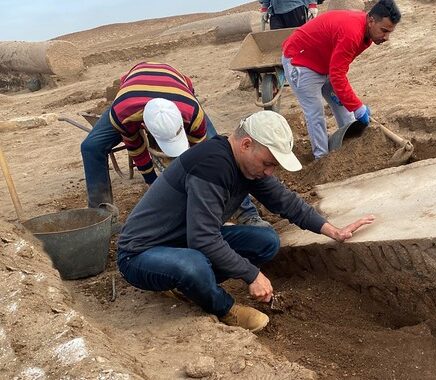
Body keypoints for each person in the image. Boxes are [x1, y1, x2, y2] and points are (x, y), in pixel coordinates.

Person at [117, 110, 374, 332]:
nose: (269, 172)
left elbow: (285, 201)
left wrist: (333, 230)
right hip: (141, 254)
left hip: (182, 243)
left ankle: (191, 287)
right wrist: (252, 275)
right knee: (193, 265)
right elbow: (203, 238)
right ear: (246, 144)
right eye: (267, 163)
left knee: (266, 241)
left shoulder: (247, 165)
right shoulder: (211, 166)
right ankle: (224, 308)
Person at [80, 61, 269, 227]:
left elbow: (206, 155)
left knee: (220, 150)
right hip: (132, 93)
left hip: (178, 87)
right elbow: (136, 148)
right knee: (90, 147)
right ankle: (101, 218)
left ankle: (247, 213)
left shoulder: (192, 112)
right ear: (144, 125)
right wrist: (152, 182)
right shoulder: (123, 112)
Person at [281, 0, 401, 159]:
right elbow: (338, 75)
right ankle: (322, 159)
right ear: (371, 20)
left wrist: (348, 101)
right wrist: (358, 106)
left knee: (345, 109)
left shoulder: (367, 33)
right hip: (300, 60)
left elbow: (338, 69)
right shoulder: (352, 33)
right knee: (315, 113)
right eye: (384, 30)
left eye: (389, 32)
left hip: (324, 63)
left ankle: (351, 149)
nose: (386, 37)